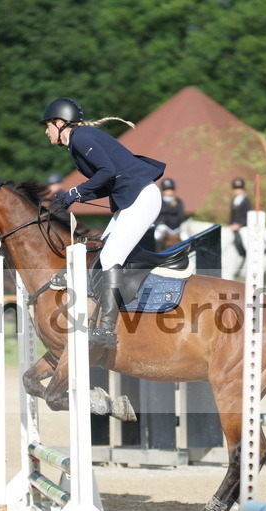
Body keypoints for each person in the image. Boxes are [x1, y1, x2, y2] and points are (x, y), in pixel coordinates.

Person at [41, 96, 165, 349]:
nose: (46, 131)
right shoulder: (77, 142)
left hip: (142, 198)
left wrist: (74, 193)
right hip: (134, 199)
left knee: (110, 257)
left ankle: (107, 328)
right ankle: (69, 278)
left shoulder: (81, 138)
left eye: (47, 125)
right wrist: (71, 198)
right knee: (101, 246)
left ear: (59, 122)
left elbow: (106, 172)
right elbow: (107, 180)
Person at [153, 177, 186, 250]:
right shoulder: (158, 201)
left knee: (186, 237)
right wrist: (160, 224)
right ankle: (157, 252)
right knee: (157, 236)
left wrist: (177, 225)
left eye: (170, 189)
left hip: (177, 228)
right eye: (166, 190)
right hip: (162, 227)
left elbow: (181, 215)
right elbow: (156, 216)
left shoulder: (178, 201)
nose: (169, 192)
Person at [228, 177, 252, 259]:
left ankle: (245, 255)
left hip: (243, 226)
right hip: (233, 226)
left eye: (239, 188)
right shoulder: (234, 200)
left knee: (243, 239)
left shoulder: (246, 200)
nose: (237, 190)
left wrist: (239, 225)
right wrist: (230, 225)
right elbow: (232, 216)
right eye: (236, 188)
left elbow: (247, 215)